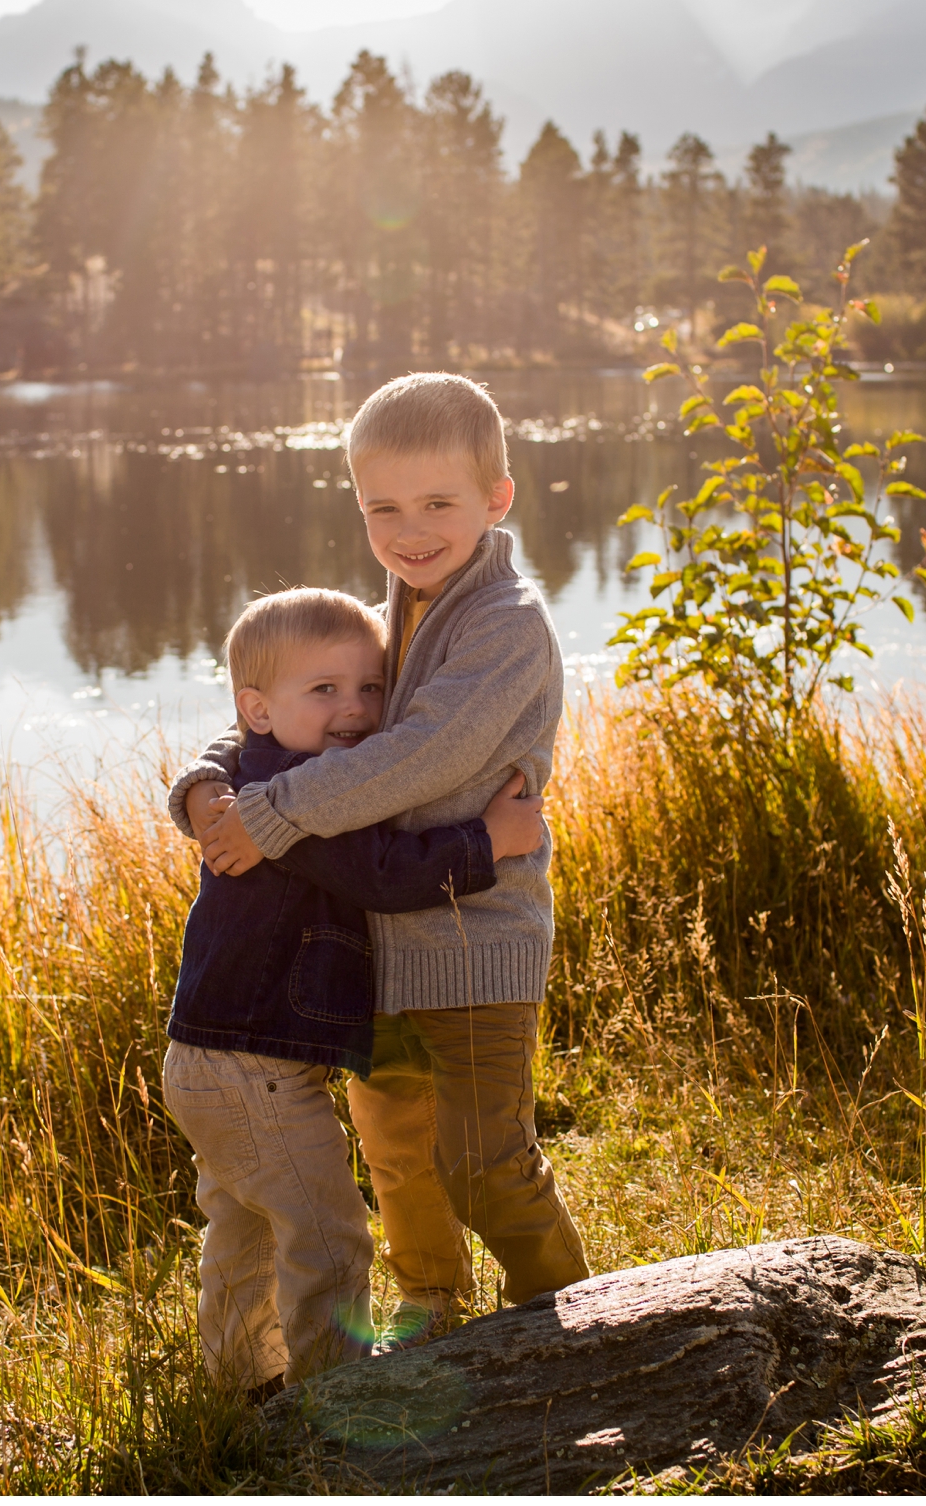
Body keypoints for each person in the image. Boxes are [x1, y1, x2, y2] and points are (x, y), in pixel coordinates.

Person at [170, 373, 590, 1357]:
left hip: (475, 943)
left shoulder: (505, 624)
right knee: (398, 1152)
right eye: (383, 508)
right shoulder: (390, 614)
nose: (410, 529)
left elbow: (423, 755)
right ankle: (434, 1313)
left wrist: (269, 815)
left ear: (497, 499)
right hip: (379, 951)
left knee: (485, 1159)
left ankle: (577, 1334)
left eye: (438, 503)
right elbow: (282, 714)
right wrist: (203, 784)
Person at [162, 585, 548, 1401]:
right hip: (255, 1067)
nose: (356, 710)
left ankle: (240, 1387)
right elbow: (383, 876)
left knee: (245, 1225)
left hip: (203, 1056)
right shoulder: (298, 807)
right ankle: (334, 1394)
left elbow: (231, 750)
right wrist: (487, 843)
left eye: (370, 688)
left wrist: (198, 786)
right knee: (329, 1233)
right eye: (326, 691)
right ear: (260, 710)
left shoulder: (257, 769)